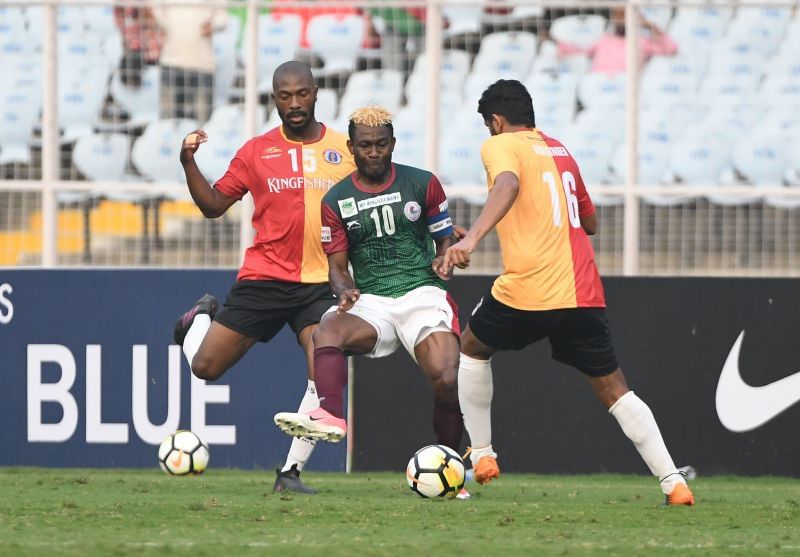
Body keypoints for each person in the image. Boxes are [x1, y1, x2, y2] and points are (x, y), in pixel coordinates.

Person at [442, 80, 694, 506]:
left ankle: (482, 455)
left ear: (496, 121)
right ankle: (674, 482)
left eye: (489, 126)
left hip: (531, 286)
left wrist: (471, 240)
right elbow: (590, 222)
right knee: (616, 390)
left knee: (471, 346)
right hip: (583, 290)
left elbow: (507, 185)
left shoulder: (501, 145)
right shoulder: (561, 150)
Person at [173, 61, 356, 494]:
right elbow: (214, 205)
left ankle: (289, 474)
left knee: (323, 372)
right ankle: (197, 320)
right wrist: (187, 163)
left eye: (302, 94)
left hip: (321, 282)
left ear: (316, 93)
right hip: (266, 278)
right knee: (205, 367)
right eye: (285, 96)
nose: (294, 104)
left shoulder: (344, 149)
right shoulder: (257, 151)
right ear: (274, 99)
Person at [272, 106, 466, 494]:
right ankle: (329, 412)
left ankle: (452, 468)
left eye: (381, 144)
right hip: (373, 299)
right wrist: (343, 290)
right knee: (325, 329)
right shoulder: (336, 200)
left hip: (421, 293)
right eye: (365, 146)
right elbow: (337, 267)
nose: (374, 152)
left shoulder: (423, 183)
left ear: (392, 144)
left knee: (446, 378)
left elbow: (443, 238)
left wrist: (446, 255)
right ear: (351, 148)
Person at [152, 4, 228, 124]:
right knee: (167, 125)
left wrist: (213, 25)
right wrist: (160, 24)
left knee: (202, 127)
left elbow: (222, 17)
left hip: (202, 65)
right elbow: (155, 11)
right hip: (171, 62)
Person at [557, 6, 677, 74]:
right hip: (598, 84)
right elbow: (582, 51)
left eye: (622, 16)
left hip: (623, 88)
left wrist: (647, 24)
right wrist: (559, 44)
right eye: (617, 16)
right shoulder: (605, 39)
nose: (619, 20)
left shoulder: (641, 41)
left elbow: (671, 48)